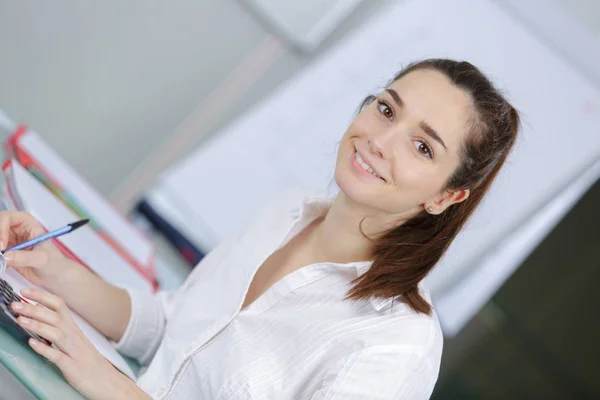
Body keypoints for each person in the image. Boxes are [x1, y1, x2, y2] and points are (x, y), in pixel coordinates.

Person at [0, 58, 520, 399]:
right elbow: (171, 329)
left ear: (445, 196)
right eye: (386, 108)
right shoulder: (287, 212)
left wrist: (101, 378)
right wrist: (55, 272)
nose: (381, 140)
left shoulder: (397, 343)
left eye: (423, 147)